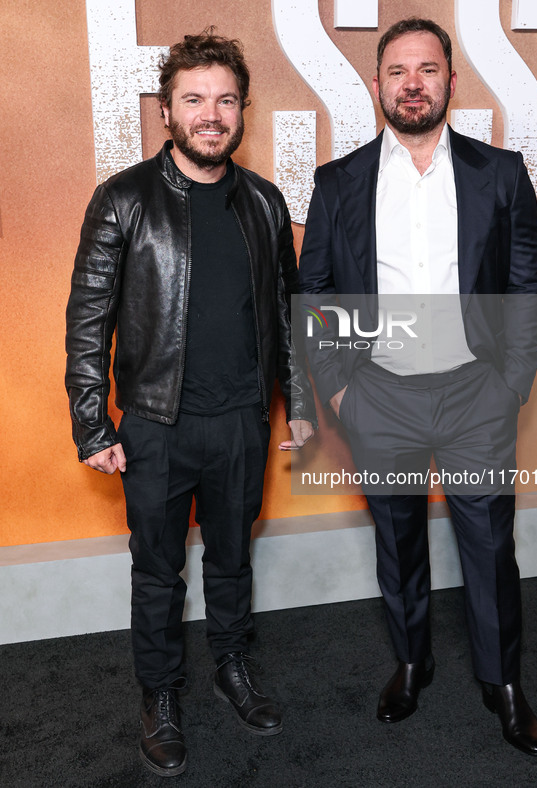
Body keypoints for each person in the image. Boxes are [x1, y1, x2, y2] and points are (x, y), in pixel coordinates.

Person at [66, 29, 315, 777]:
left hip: (241, 420)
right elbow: (87, 319)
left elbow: (285, 311)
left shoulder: (265, 202)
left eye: (226, 100)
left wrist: (298, 404)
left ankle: (231, 666)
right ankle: (160, 695)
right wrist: (90, 422)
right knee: (157, 571)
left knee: (233, 562)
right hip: (153, 424)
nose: (212, 114)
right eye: (195, 100)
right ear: (168, 111)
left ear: (242, 109)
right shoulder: (123, 198)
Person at [298, 18, 537, 756]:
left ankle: (502, 681)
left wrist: (510, 383)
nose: (413, 82)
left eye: (428, 69)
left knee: (488, 543)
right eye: (398, 70)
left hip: (477, 394)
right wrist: (340, 392)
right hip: (379, 397)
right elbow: (315, 291)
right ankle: (411, 661)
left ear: (449, 81)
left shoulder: (498, 173)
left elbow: (525, 287)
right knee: (398, 539)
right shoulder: (337, 181)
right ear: (376, 86)